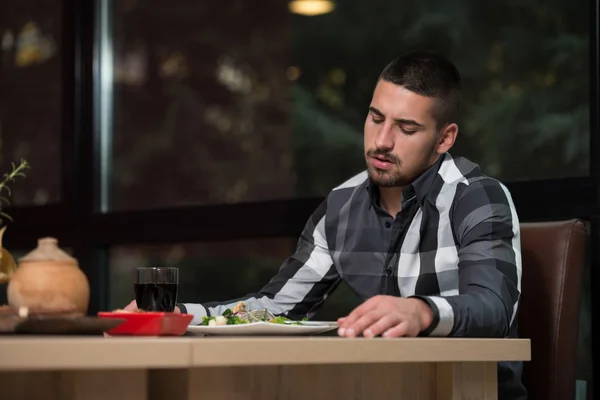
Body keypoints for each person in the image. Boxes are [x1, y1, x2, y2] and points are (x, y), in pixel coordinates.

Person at [122, 51, 526, 399]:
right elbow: (277, 307)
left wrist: (421, 312)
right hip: (380, 388)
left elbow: (493, 308)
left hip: (469, 390)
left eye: (406, 129)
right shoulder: (341, 205)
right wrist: (177, 316)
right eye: (375, 118)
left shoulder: (476, 197)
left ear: (444, 138)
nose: (382, 141)